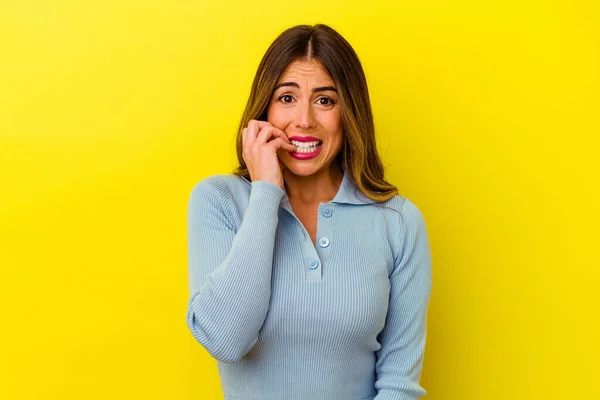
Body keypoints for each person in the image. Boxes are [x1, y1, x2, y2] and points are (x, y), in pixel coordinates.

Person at [186, 23, 433, 400]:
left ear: (348, 112)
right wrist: (265, 193)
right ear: (264, 108)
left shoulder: (398, 223)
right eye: (287, 98)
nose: (304, 119)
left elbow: (399, 384)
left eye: (324, 100)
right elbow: (225, 339)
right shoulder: (219, 202)